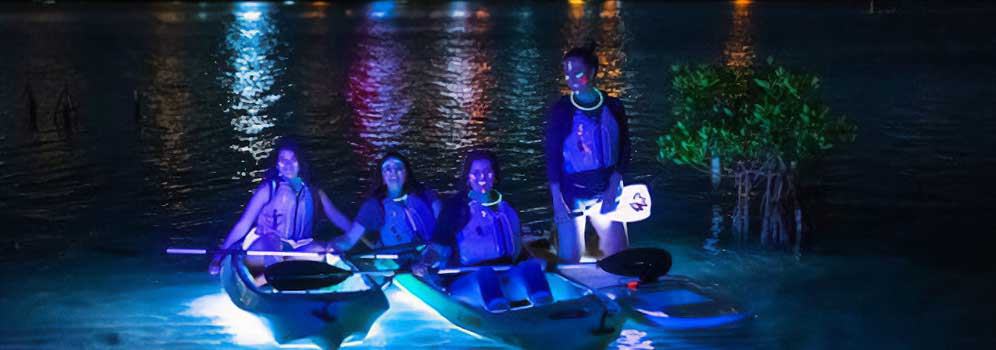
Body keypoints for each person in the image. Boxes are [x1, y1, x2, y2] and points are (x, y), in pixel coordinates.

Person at [414, 150, 552, 312]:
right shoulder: (455, 208)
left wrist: (533, 261)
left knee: (532, 267)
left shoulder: (506, 209)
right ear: (468, 177)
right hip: (467, 279)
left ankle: (544, 310)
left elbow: (517, 247)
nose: (482, 177)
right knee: (486, 275)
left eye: (488, 172)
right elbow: (437, 247)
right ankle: (498, 314)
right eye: (476, 173)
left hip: (503, 273)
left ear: (495, 176)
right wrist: (424, 263)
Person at [209, 138, 352, 279]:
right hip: (265, 246)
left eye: (293, 159)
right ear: (277, 164)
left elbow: (337, 217)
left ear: (300, 163)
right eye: (283, 159)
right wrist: (219, 256)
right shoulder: (268, 189)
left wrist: (358, 235)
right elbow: (244, 224)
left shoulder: (314, 191)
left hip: (298, 249)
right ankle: (267, 276)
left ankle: (291, 273)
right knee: (271, 243)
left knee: (323, 249)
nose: (288, 164)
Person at [545, 44, 631, 263]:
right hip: (573, 193)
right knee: (570, 260)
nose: (571, 78)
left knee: (620, 256)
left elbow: (625, 147)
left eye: (578, 73)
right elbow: (552, 156)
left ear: (593, 72)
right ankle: (558, 242)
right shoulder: (562, 110)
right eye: (567, 73)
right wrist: (557, 202)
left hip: (607, 190)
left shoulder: (613, 105)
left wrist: (614, 184)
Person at [332, 151, 441, 253]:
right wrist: (332, 247)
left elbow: (444, 225)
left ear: (406, 173)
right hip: (395, 264)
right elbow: (350, 239)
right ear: (382, 176)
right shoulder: (374, 206)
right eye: (387, 169)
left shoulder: (426, 195)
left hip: (431, 257)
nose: (393, 172)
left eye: (398, 168)